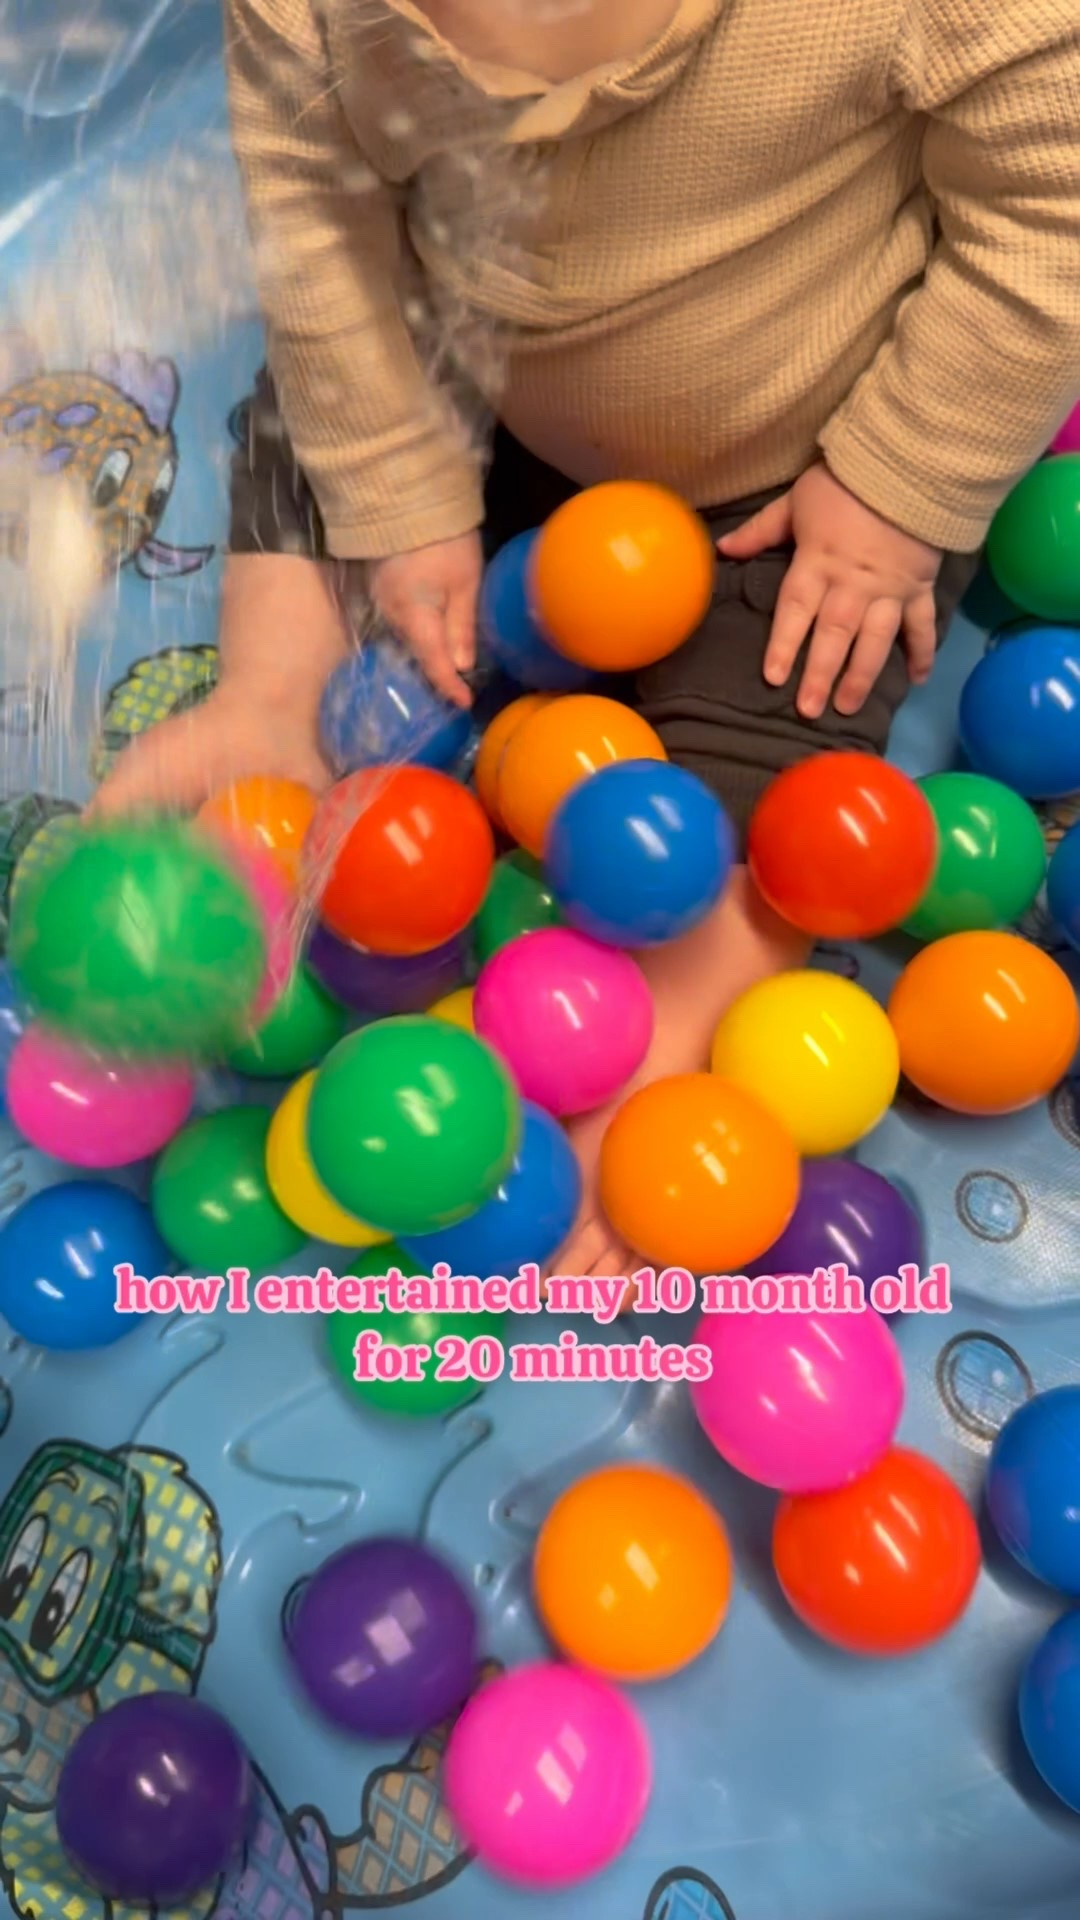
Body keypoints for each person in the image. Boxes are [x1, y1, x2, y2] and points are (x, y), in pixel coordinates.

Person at [93, 0, 1080, 1278]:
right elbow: (321, 234)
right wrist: (401, 497)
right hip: (486, 379)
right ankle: (277, 698)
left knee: (778, 723)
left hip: (799, 472)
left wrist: (902, 481)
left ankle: (660, 1040)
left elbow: (1051, 204)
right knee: (308, 409)